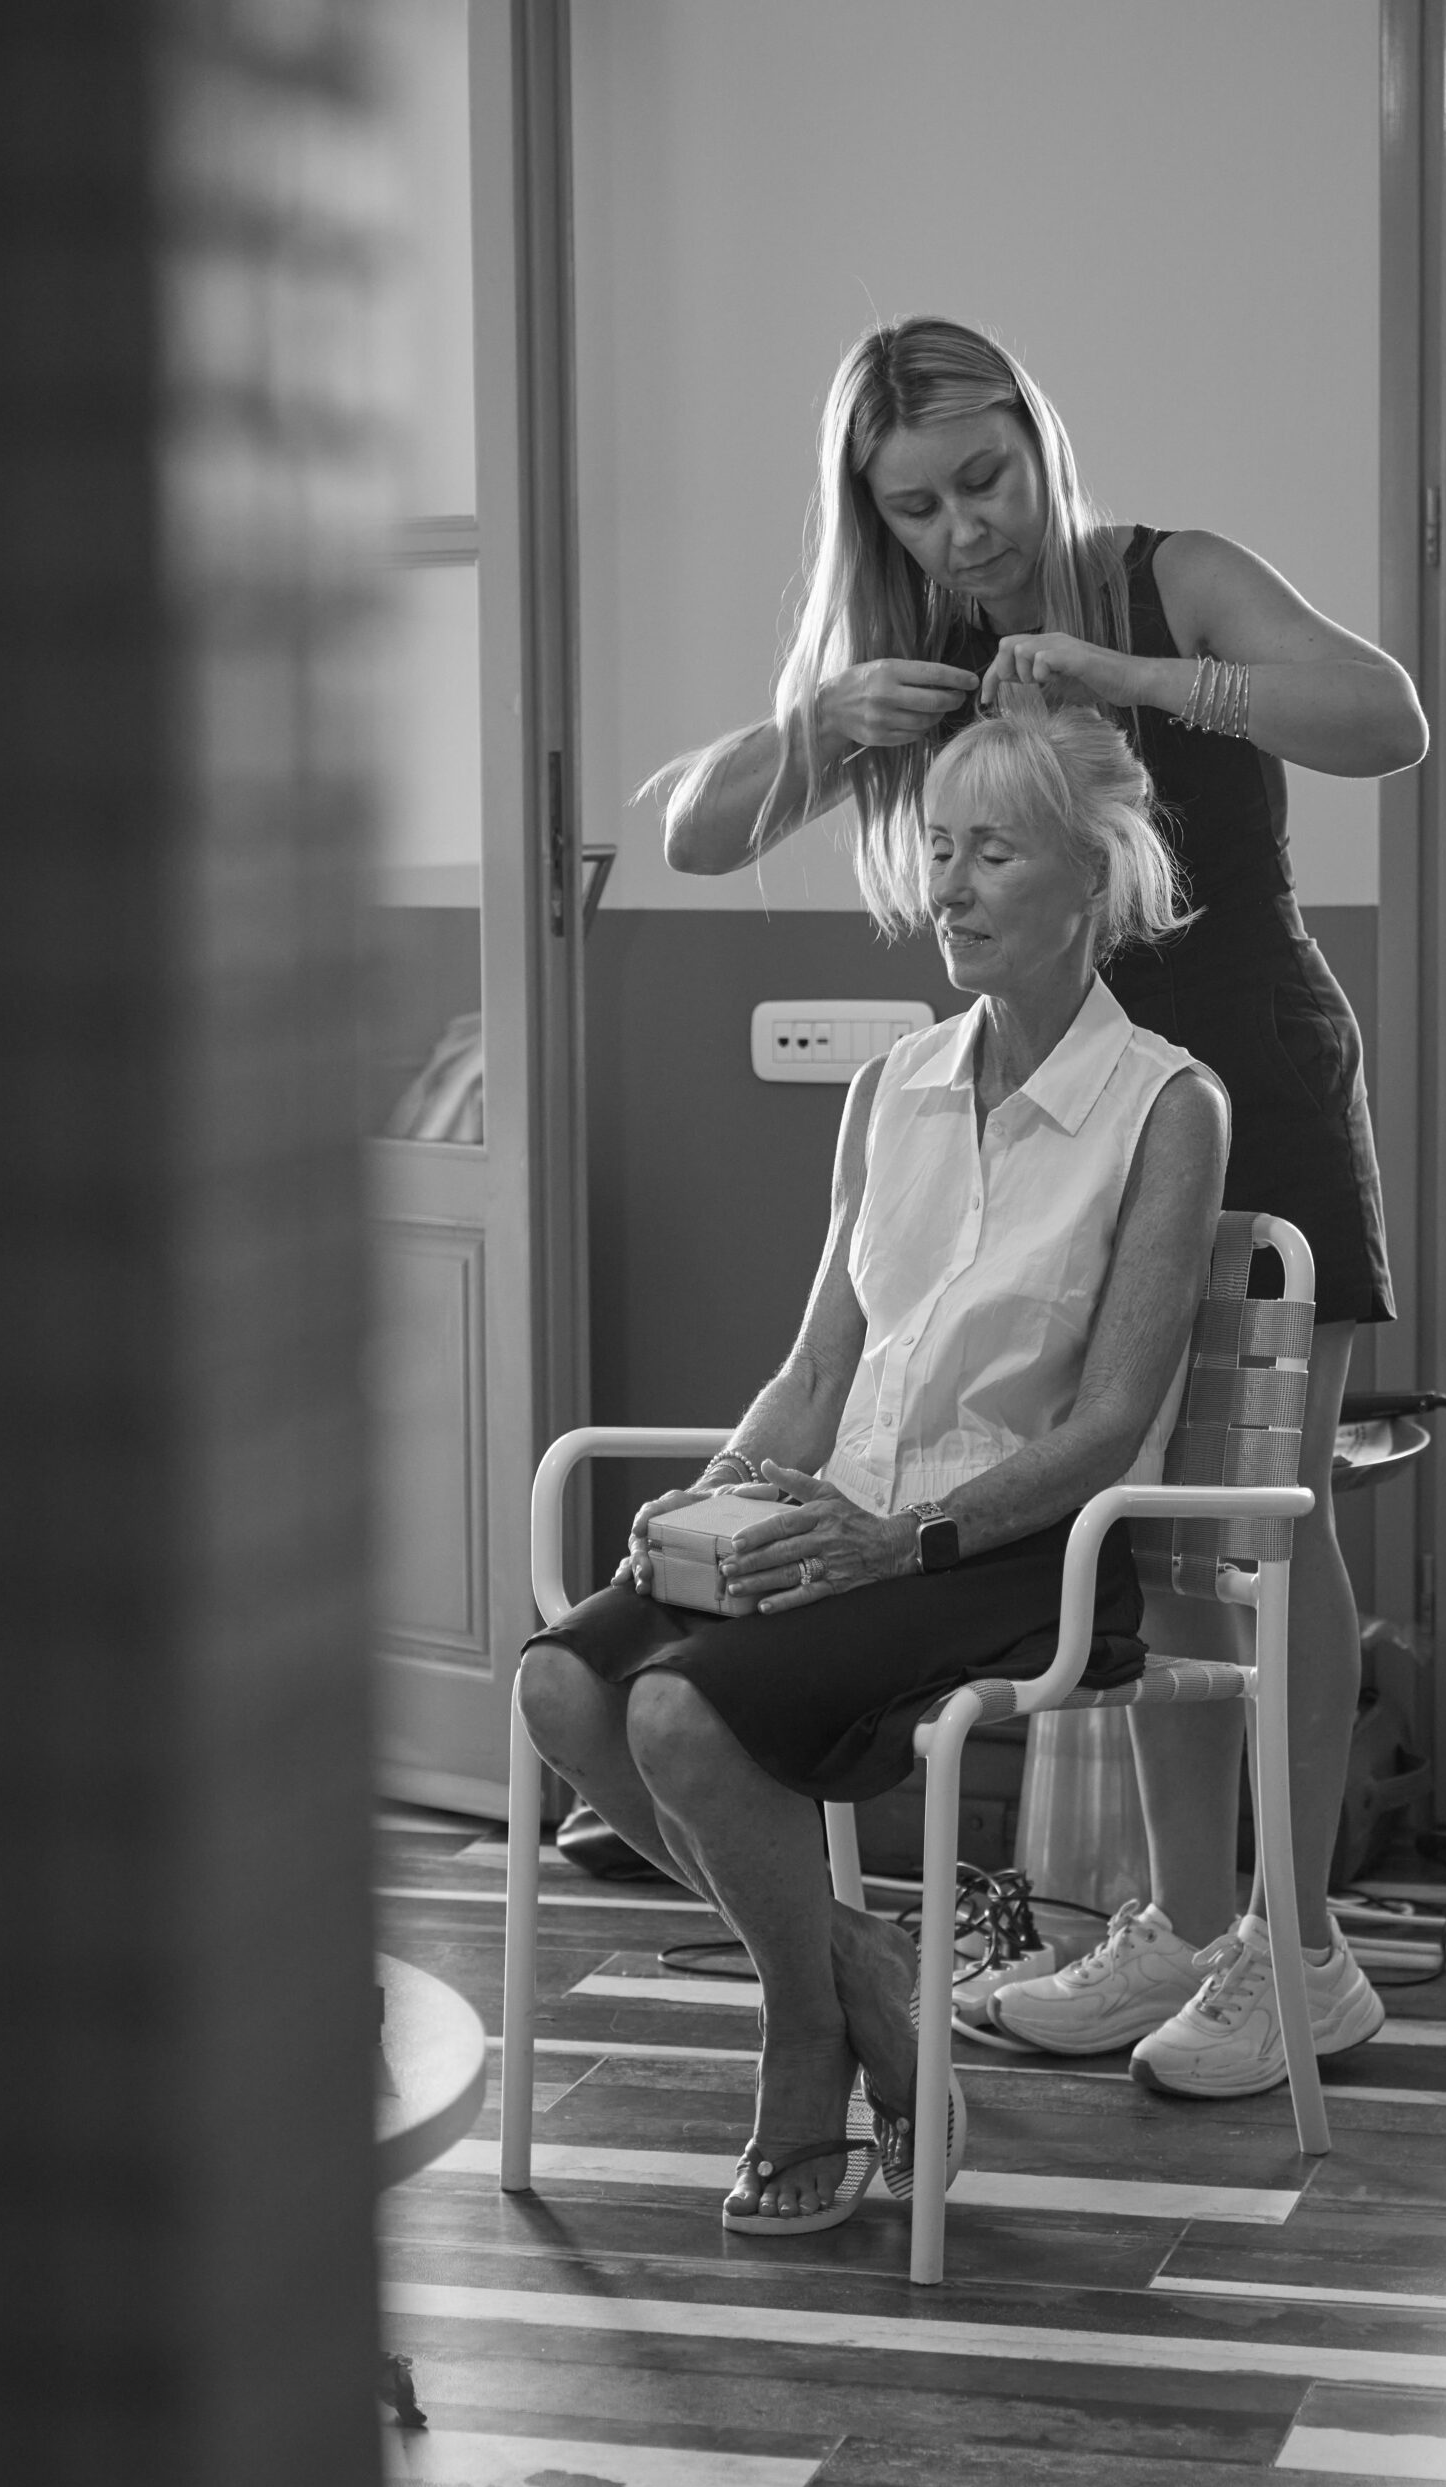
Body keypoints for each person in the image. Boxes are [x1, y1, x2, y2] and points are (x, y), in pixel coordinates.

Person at [656, 318, 1427, 2100]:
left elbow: (1386, 719)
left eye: (984, 478)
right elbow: (696, 832)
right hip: (1054, 1136)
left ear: (1037, 435)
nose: (964, 531)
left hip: (1251, 1093)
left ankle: (1303, 1954)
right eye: (915, 508)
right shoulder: (913, 661)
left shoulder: (1175, 578)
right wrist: (816, 723)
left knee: (1255, 1527)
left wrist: (1137, 679)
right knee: (1134, 1541)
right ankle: (1184, 1922)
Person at [516, 700, 1229, 2231]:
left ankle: (800, 2045)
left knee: (679, 1714)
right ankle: (860, 1972)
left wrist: (902, 1540)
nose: (948, 888)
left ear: (1093, 879)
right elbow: (817, 1372)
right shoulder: (887, 1089)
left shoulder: (1170, 1109)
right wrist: (716, 1489)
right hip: (837, 1522)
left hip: (1014, 1554)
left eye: (995, 854)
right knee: (563, 1687)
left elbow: (1110, 1426)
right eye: (939, 849)